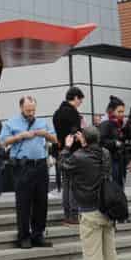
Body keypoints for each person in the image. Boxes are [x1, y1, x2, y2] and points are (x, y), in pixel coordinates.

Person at [60, 126, 120, 260]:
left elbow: (64, 166)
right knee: (110, 254)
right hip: (107, 209)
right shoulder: (105, 153)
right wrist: (85, 140)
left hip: (89, 210)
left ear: (84, 140)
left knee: (93, 257)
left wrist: (66, 147)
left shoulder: (79, 157)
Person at [1, 96, 58, 249]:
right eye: (28, 110)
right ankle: (24, 236)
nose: (31, 113)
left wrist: (44, 134)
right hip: (22, 166)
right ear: (21, 108)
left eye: (33, 110)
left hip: (40, 165)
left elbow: (55, 139)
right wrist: (20, 136)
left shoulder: (42, 122)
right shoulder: (11, 122)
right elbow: (3, 141)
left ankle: (38, 235)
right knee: (24, 202)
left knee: (41, 202)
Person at [53, 87, 86, 225]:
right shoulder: (72, 113)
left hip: (62, 151)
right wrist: (82, 130)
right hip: (74, 152)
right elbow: (75, 133)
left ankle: (67, 214)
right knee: (74, 185)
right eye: (80, 100)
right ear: (76, 98)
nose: (80, 103)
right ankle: (73, 214)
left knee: (66, 184)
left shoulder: (57, 113)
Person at [100, 96, 131, 188]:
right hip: (110, 161)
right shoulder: (105, 124)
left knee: (120, 186)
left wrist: (129, 160)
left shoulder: (122, 124)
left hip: (120, 160)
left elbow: (126, 143)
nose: (122, 114)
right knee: (114, 187)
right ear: (112, 111)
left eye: (123, 111)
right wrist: (114, 143)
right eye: (119, 111)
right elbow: (101, 142)